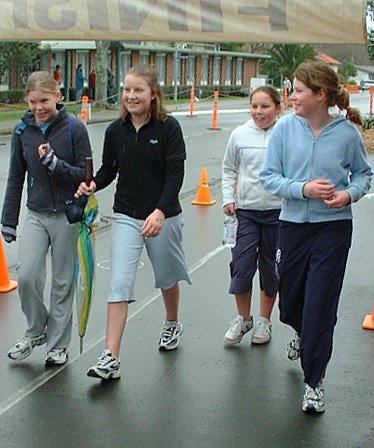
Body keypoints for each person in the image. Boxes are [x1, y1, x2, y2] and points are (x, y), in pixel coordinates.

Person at [259, 61, 373, 413]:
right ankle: (300, 330)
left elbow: (364, 176)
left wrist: (348, 195)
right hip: (292, 225)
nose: (291, 96)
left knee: (321, 303)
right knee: (291, 299)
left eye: (298, 91)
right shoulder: (283, 131)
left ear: (320, 95)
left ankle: (314, 382)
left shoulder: (347, 134)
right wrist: (302, 189)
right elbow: (269, 177)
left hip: (333, 228)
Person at [77, 64, 192, 380]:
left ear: (153, 94)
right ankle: (110, 357)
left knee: (167, 276)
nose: (131, 96)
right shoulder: (116, 131)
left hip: (162, 215)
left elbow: (175, 176)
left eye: (138, 90)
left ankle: (171, 322)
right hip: (127, 215)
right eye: (127, 90)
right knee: (119, 284)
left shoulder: (169, 129)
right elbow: (108, 171)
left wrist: (160, 212)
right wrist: (92, 185)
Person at [1, 71, 92, 366]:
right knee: (27, 276)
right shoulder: (21, 131)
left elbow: (85, 176)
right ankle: (36, 330)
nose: (39, 108)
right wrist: (8, 220)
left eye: (45, 100)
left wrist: (54, 164)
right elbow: (16, 177)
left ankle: (57, 344)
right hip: (37, 214)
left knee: (63, 282)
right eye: (33, 102)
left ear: (58, 96)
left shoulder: (75, 129)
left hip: (67, 214)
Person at [222, 86, 282, 347]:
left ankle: (264, 321)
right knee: (241, 265)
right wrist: (228, 199)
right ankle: (243, 318)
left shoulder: (285, 135)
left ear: (278, 108)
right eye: (255, 106)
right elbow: (228, 169)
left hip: (278, 212)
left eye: (265, 106)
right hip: (245, 212)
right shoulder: (239, 135)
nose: (259, 112)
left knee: (271, 267)